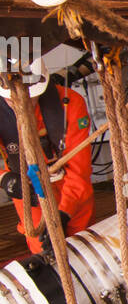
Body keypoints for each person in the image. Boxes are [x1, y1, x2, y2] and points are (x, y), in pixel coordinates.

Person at [0, 60, 95, 255]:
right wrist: (4, 178)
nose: (21, 103)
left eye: (30, 98)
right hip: (29, 191)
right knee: (42, 249)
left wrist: (64, 213)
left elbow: (80, 168)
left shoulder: (70, 103)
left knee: (83, 249)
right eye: (11, 100)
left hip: (70, 186)